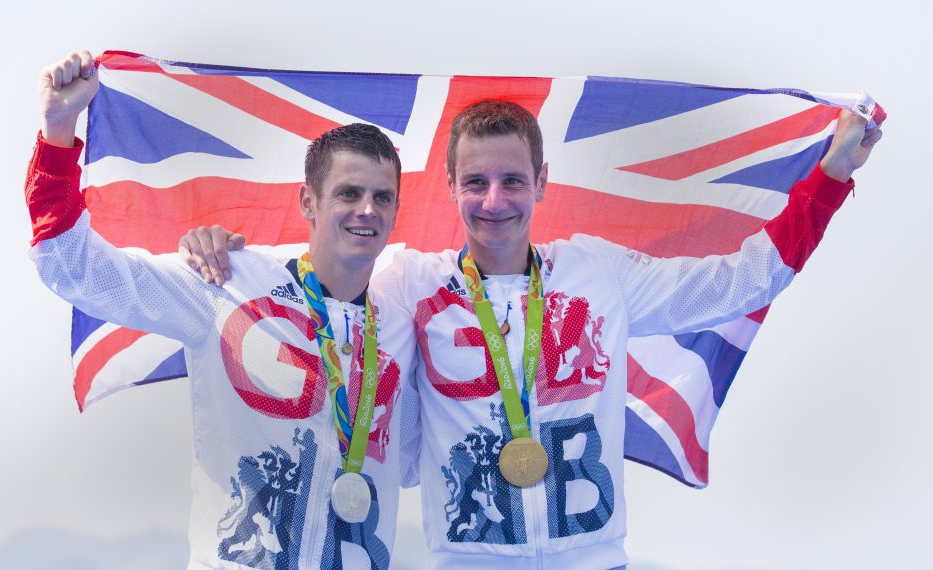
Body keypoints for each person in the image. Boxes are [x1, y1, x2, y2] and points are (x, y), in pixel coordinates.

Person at [185, 97, 880, 569]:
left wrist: (831, 173)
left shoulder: (597, 273)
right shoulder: (409, 282)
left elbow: (741, 281)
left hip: (594, 559)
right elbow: (323, 268)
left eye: (512, 180)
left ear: (541, 182)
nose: (494, 201)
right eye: (476, 182)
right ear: (451, 188)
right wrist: (221, 248)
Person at [27, 50, 419, 569]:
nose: (367, 210)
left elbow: (411, 462)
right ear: (308, 202)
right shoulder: (225, 281)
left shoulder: (401, 324)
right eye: (348, 193)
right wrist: (59, 129)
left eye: (382, 197)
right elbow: (74, 268)